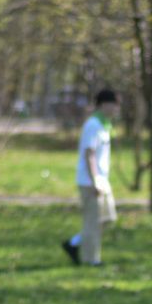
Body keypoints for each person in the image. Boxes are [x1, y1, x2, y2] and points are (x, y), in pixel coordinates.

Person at [62, 89, 119, 267]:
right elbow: (89, 153)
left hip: (102, 180)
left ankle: (74, 243)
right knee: (92, 222)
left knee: (108, 218)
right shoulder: (93, 125)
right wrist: (94, 180)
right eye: (114, 104)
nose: (117, 108)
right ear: (103, 104)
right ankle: (91, 259)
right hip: (90, 181)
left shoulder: (104, 125)